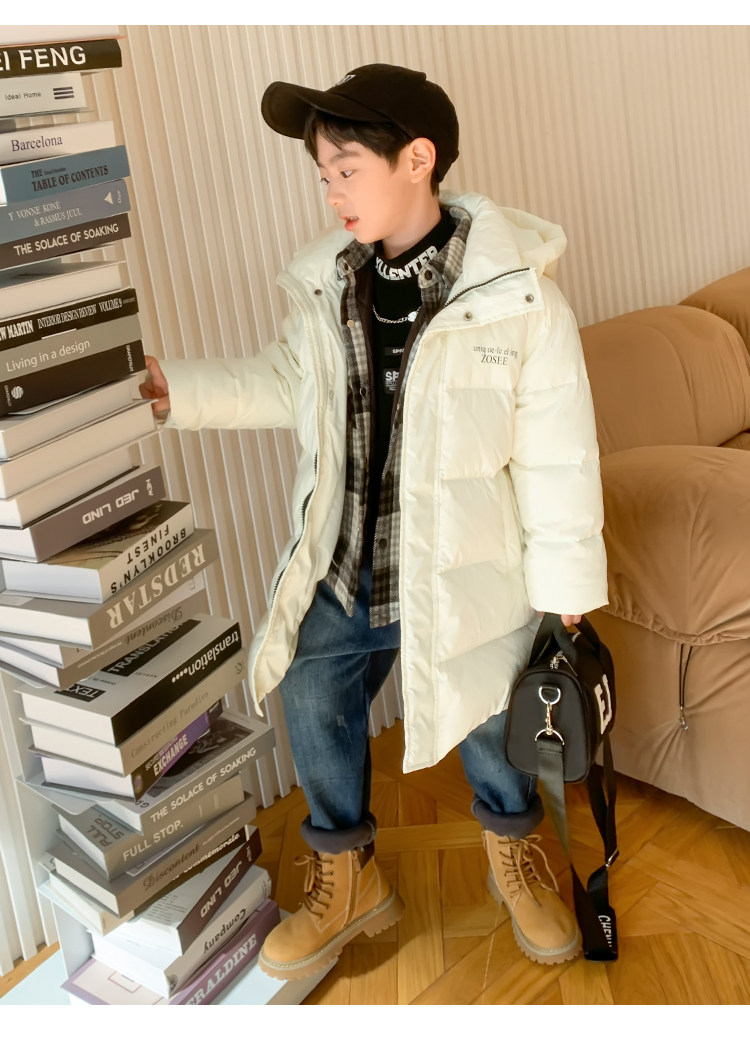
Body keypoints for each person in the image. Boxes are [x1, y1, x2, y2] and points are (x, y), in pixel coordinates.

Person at [141, 63, 608, 982]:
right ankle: (346, 876)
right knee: (312, 697)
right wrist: (175, 391)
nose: (332, 193)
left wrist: (565, 588)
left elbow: (558, 452)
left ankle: (514, 855)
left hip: (466, 567)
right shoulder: (330, 287)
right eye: (324, 174)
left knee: (488, 720)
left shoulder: (517, 299)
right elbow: (286, 384)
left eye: (347, 169)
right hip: (348, 558)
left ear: (418, 160)